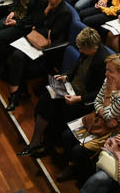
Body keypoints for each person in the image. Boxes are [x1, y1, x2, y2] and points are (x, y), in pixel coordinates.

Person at [18, 28, 110, 158]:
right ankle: (37, 141)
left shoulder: (103, 62)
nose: (79, 51)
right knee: (46, 99)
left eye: (81, 48)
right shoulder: (87, 51)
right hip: (70, 89)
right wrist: (65, 77)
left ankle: (44, 143)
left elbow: (99, 92)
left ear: (91, 48)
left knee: (55, 108)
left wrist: (78, 98)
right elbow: (75, 69)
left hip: (82, 100)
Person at [55, 51, 120, 182]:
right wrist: (104, 112)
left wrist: (107, 96)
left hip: (113, 129)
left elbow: (106, 113)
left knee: (79, 150)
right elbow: (97, 103)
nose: (106, 74)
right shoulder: (108, 80)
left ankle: (81, 173)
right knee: (66, 136)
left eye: (110, 71)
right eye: (107, 70)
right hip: (101, 120)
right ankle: (71, 164)